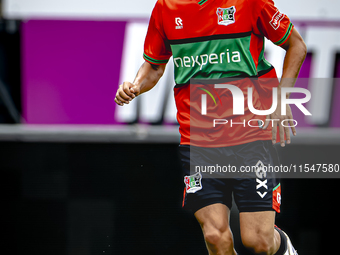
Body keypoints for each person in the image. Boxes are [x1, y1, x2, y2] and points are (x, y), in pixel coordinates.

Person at [115, 0, 306, 254]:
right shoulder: (166, 7)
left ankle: (285, 248)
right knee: (216, 236)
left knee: (258, 242)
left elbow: (297, 45)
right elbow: (154, 65)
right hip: (198, 141)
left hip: (251, 135)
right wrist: (136, 85)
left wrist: (282, 97)